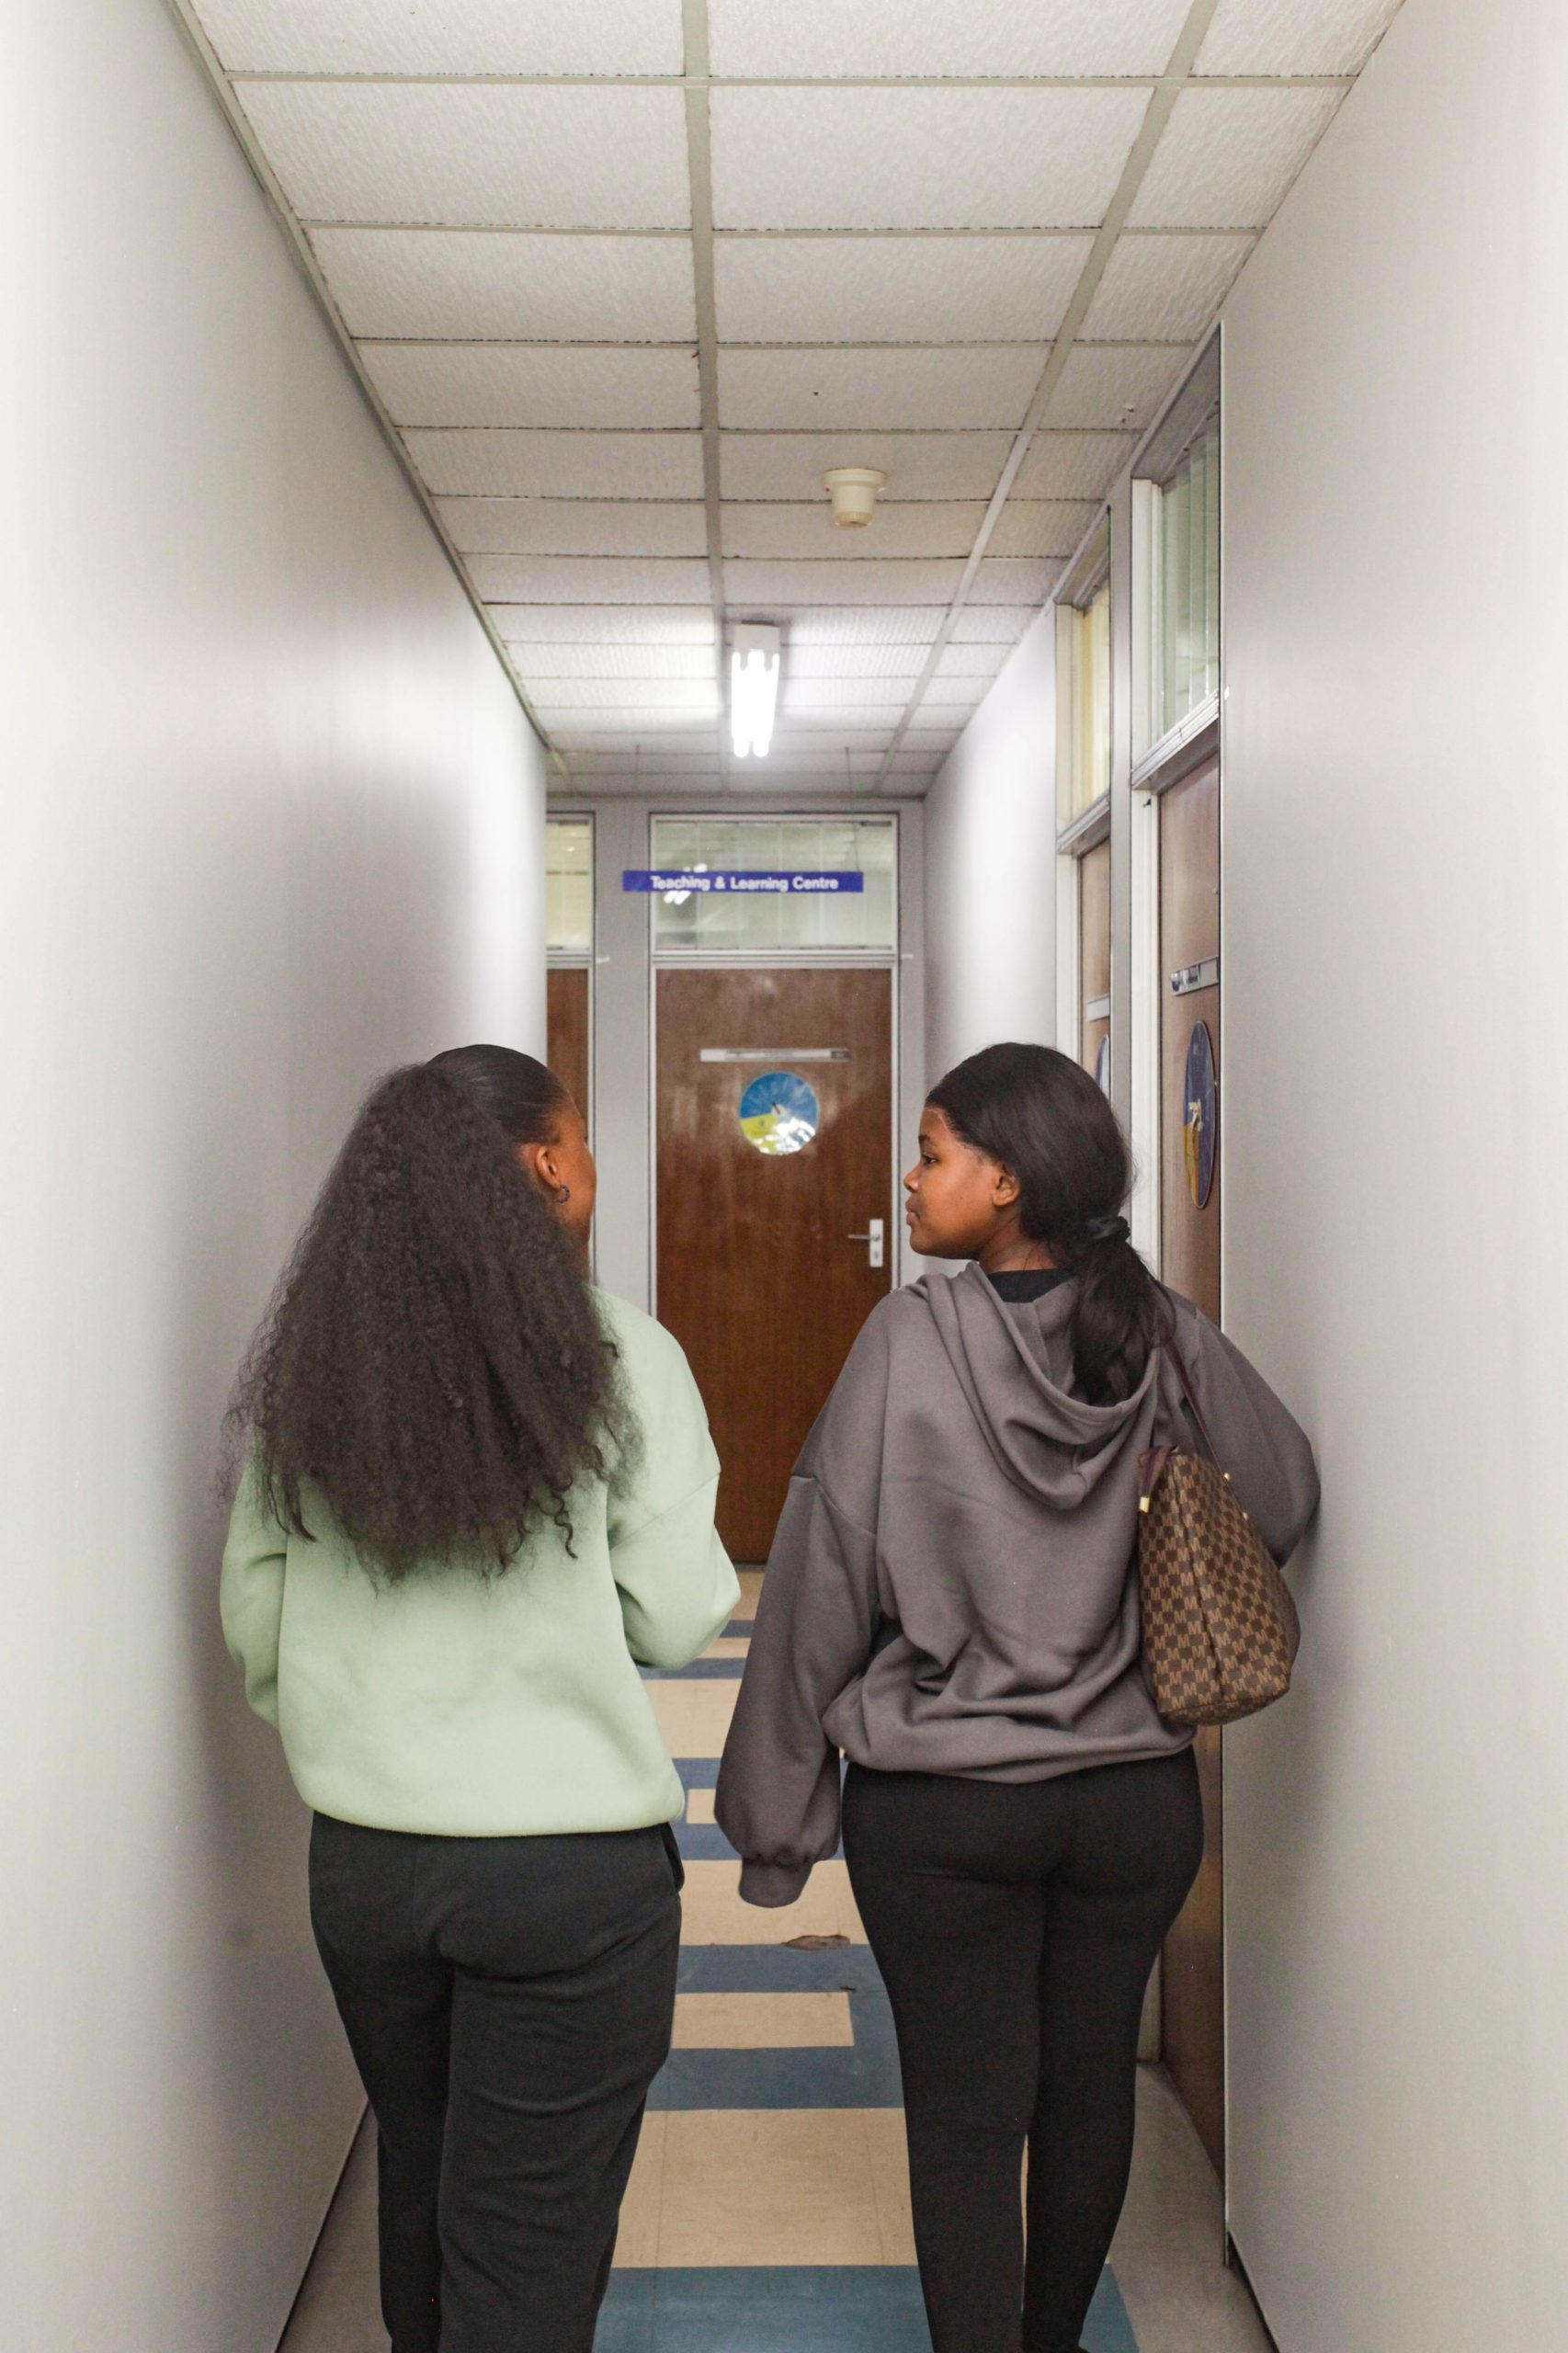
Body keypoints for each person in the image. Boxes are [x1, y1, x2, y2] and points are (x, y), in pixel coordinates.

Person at [716, 1040, 1318, 2353]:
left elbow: (821, 1571)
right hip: (1131, 1806)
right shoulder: (1151, 1329)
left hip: (944, 1814)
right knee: (1087, 2078)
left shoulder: (908, 1340)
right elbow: (1280, 1494)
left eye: (930, 1154)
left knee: (965, 2115)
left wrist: (773, 1823)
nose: (910, 1177)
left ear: (1006, 1178)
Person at [222, 1046, 736, 2353]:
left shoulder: (318, 1367)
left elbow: (257, 1613)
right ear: (553, 1164)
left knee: (424, 2178)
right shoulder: (620, 1356)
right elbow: (676, 1616)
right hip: (567, 1885)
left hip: (370, 1871)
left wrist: (366, 1726)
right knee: (528, 2247)